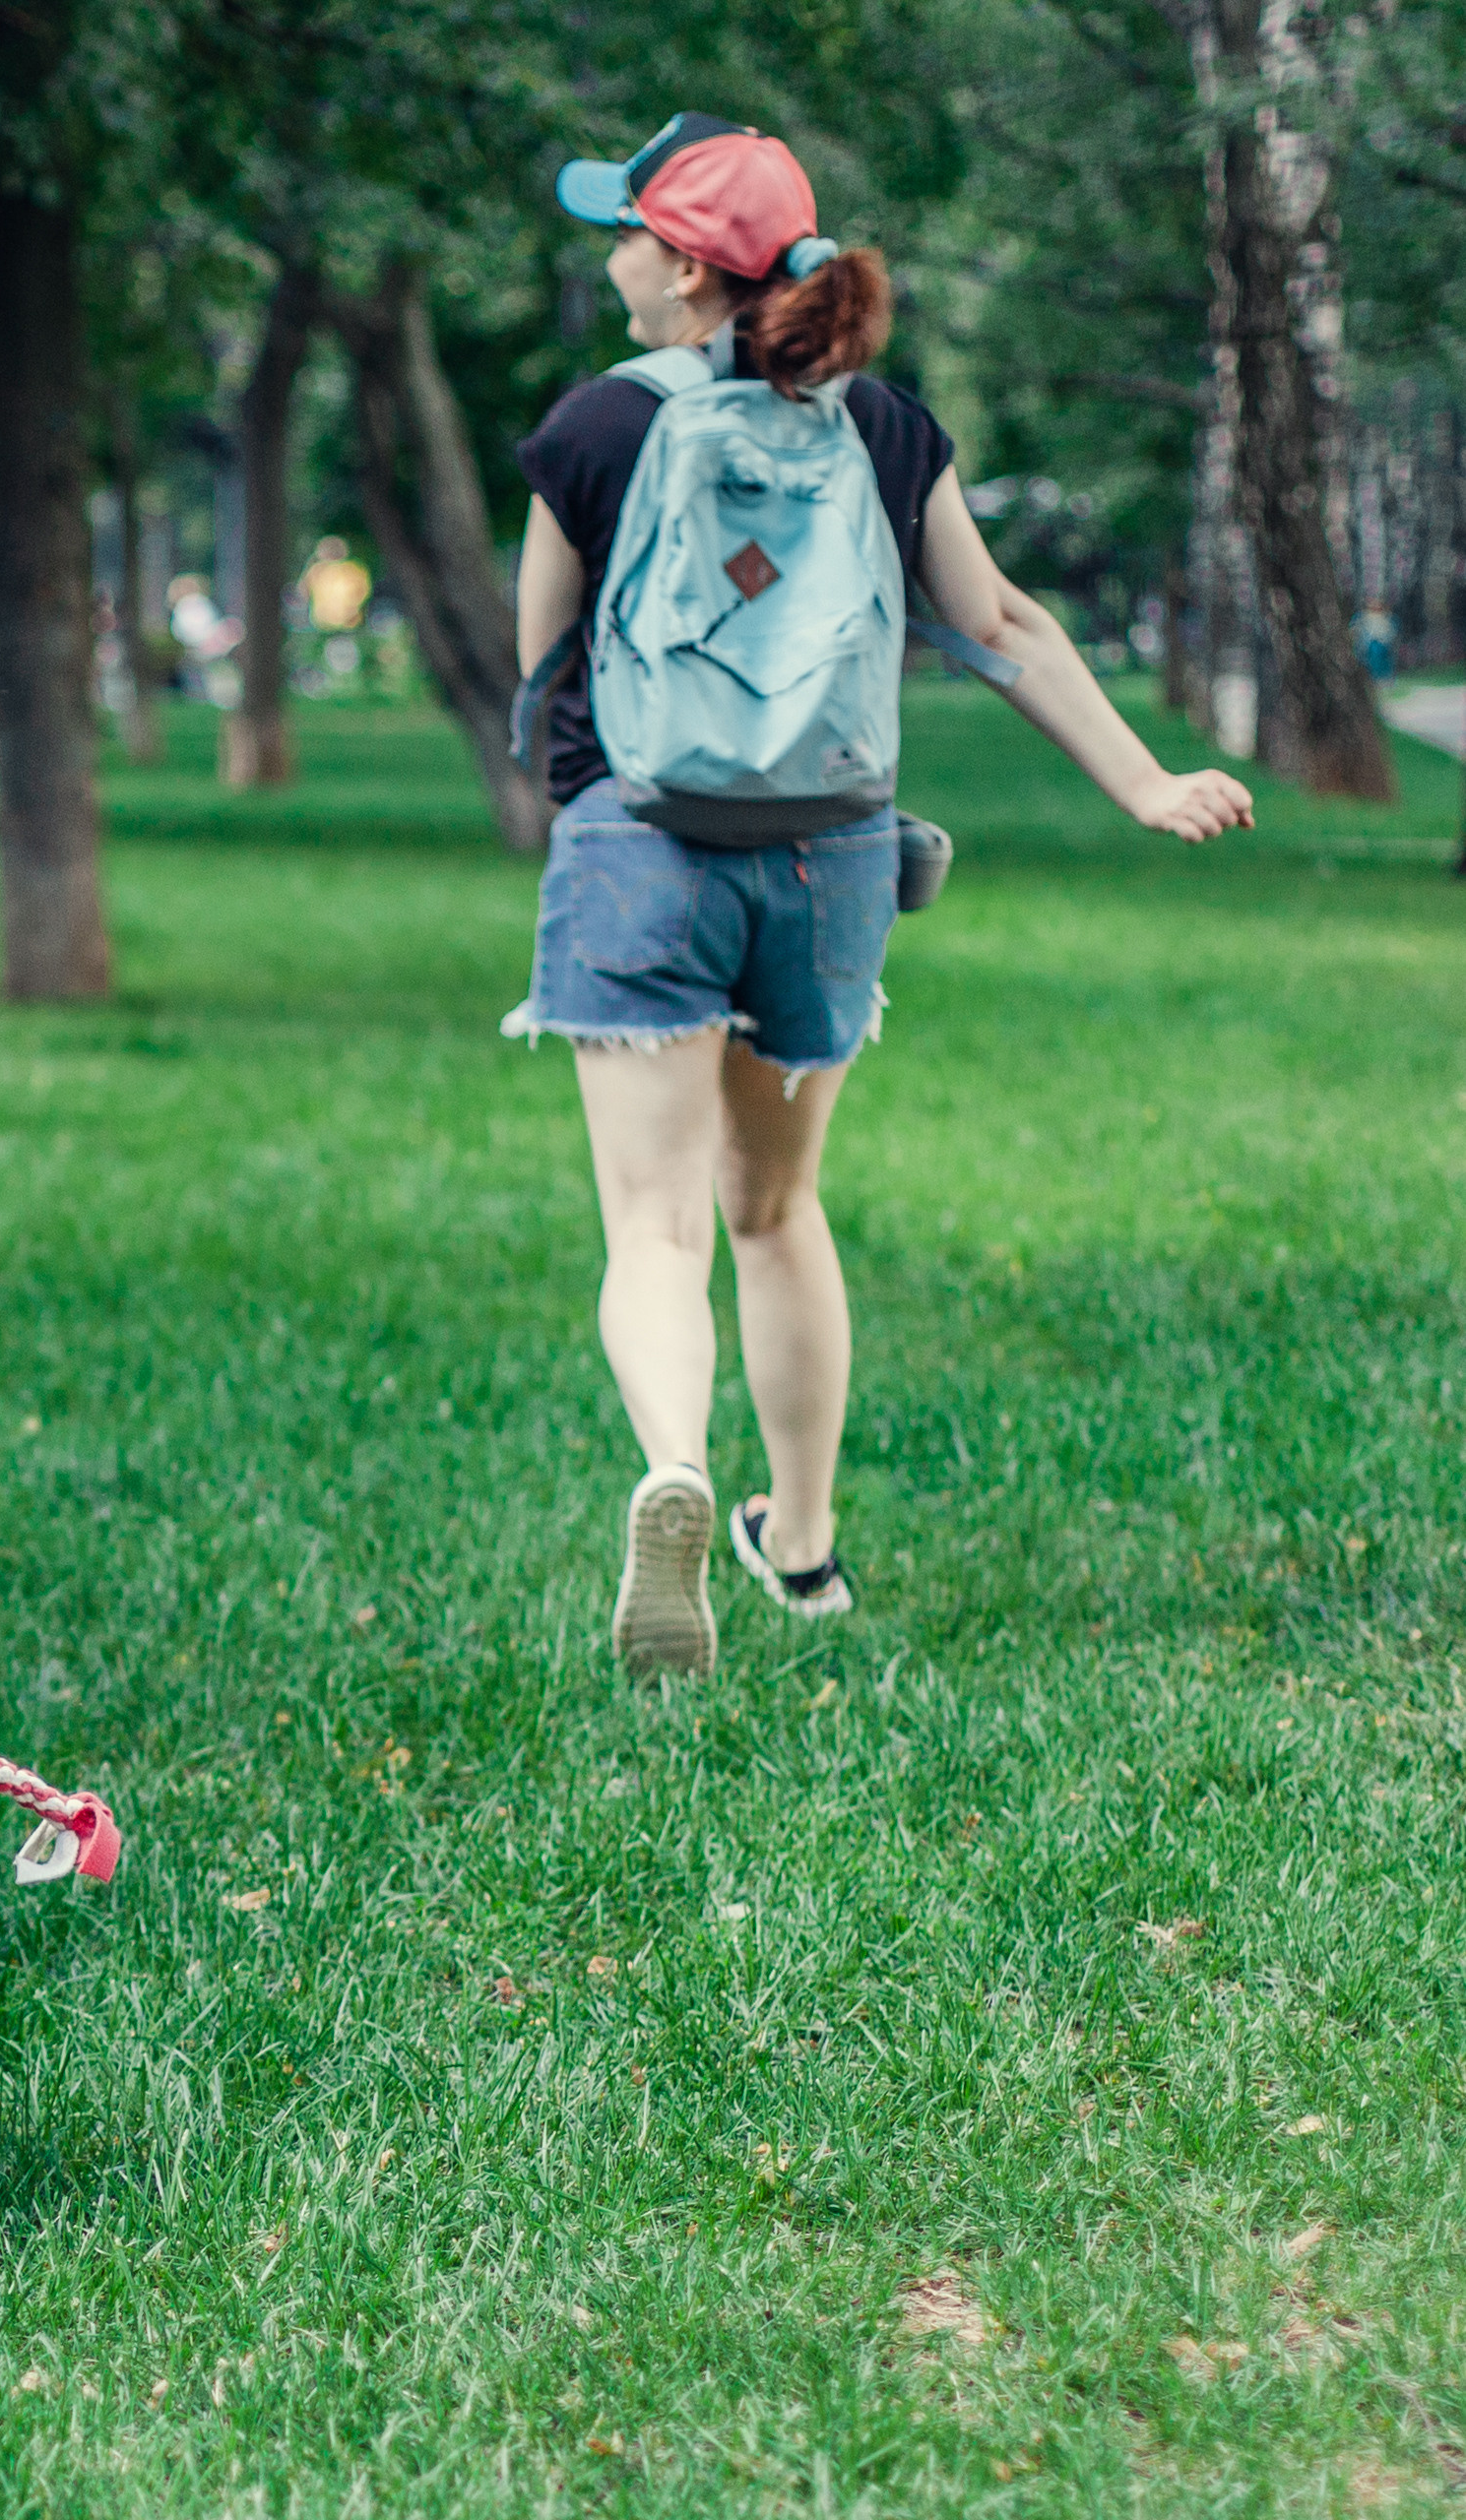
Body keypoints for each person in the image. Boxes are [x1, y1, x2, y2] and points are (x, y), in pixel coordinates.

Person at [509, 114, 1253, 1678]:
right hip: (830, 858)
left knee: (654, 1230)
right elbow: (1002, 624)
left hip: (639, 848)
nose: (613, 256)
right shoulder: (886, 429)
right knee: (772, 1210)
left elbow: (541, 657)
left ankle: (676, 1467)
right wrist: (1142, 781)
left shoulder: (592, 428)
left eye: (630, 232)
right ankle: (804, 1547)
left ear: (689, 269)